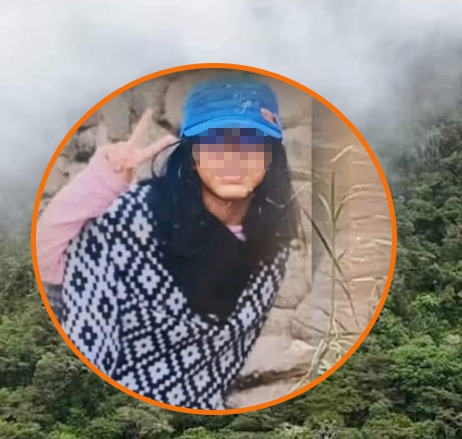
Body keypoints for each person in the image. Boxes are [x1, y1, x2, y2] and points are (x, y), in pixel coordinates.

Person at [37, 75, 300, 410]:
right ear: (192, 154)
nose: (234, 160)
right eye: (217, 141)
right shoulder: (138, 219)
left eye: (250, 142)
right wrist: (100, 180)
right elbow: (50, 260)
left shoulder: (270, 244)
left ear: (271, 155)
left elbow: (225, 351)